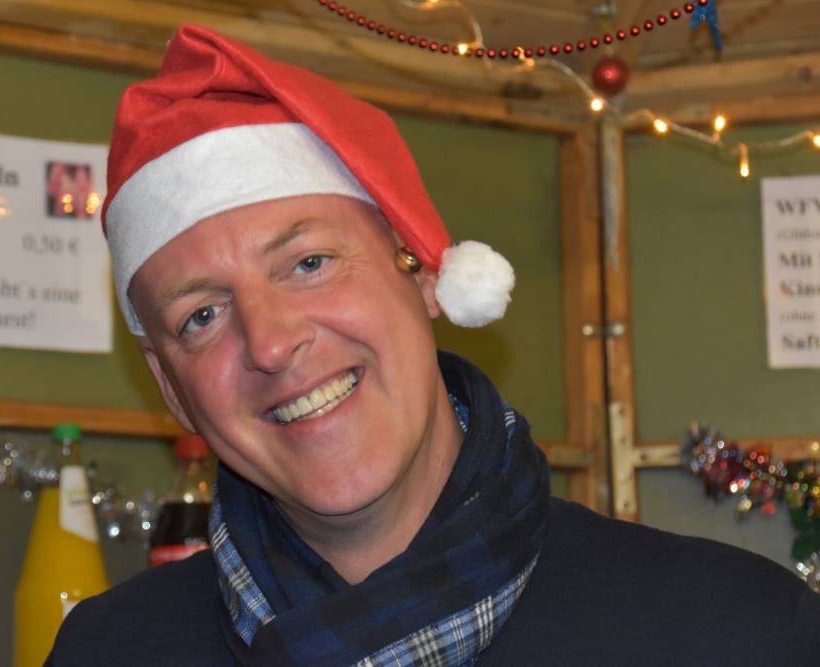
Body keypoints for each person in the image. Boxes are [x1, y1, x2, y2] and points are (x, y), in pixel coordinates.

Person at [47, 25, 819, 666]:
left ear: (420, 270)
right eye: (201, 317)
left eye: (310, 263)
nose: (273, 343)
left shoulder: (735, 632)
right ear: (171, 386)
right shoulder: (112, 651)